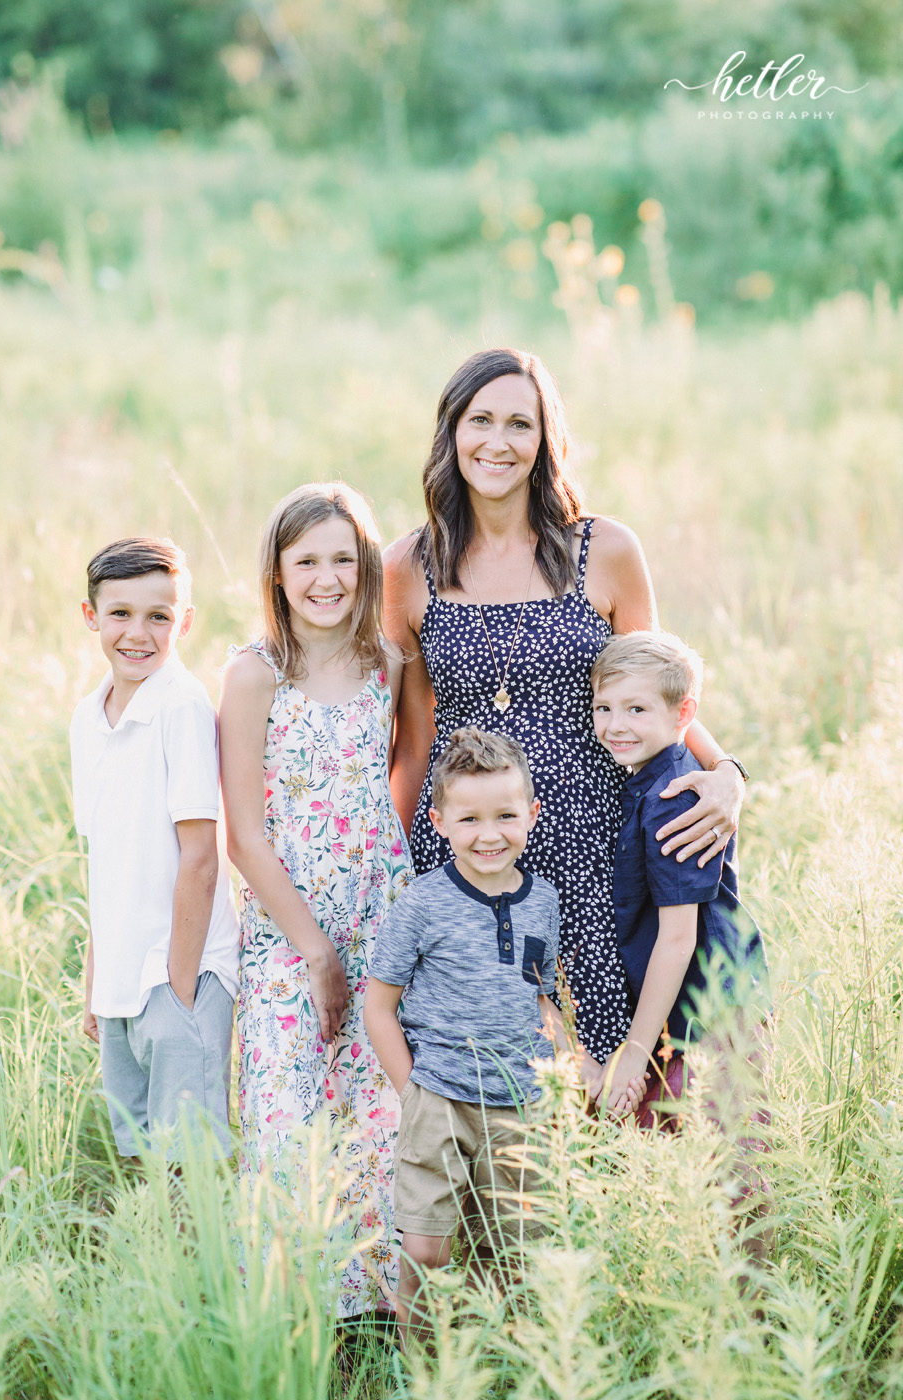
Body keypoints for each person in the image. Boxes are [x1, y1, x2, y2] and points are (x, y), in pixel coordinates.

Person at [383, 347, 749, 1084]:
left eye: (521, 423)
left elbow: (657, 695)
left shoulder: (605, 551)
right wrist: (401, 869)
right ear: (450, 432)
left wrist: (728, 773)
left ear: (546, 440)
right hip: (469, 848)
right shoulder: (407, 566)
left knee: (600, 1058)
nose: (499, 441)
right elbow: (413, 740)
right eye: (479, 420)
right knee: (484, 1067)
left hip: (590, 845)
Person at [218, 482, 412, 1319]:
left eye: (344, 558)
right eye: (307, 561)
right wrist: (316, 950)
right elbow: (244, 836)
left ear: (367, 566)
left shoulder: (389, 666)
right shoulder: (254, 675)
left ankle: (374, 1305)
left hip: (380, 922)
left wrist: (386, 926)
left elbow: (393, 785)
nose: (327, 578)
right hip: (289, 936)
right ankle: (297, 1312)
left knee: (379, 1114)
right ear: (277, 572)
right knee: (289, 1118)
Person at [365, 727, 620, 1345]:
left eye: (506, 816)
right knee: (426, 1248)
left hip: (521, 1103)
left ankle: (486, 1366)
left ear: (531, 815)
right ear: (440, 822)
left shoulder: (543, 902)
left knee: (506, 1254)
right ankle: (421, 1372)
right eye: (469, 818)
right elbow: (379, 1005)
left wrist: (572, 1063)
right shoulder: (422, 903)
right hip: (440, 1100)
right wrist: (415, 1090)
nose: (489, 834)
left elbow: (539, 996)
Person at [590, 630, 770, 1256]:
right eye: (604, 708)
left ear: (683, 714)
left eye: (636, 710)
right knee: (682, 1172)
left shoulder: (674, 796)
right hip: (680, 1010)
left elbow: (676, 938)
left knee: (731, 1172)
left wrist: (636, 1052)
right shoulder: (643, 777)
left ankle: (754, 1325)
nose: (616, 725)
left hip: (712, 1007)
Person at [71, 536, 240, 1161]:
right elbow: (103, 860)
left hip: (177, 972)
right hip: (121, 976)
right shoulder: (88, 719)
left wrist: (179, 987)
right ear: (91, 616)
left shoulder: (182, 705)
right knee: (140, 1148)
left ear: (184, 621)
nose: (137, 633)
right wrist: (97, 981)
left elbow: (200, 855)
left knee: (188, 1160)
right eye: (120, 613)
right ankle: (159, 1263)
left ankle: (201, 1261)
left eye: (159, 616)